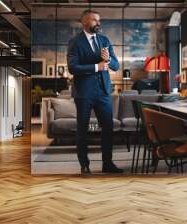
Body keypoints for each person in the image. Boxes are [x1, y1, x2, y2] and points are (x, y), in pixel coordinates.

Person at [68, 9, 123, 174]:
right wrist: (96, 67)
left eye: (99, 20)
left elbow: (115, 66)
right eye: (94, 20)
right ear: (84, 22)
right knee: (82, 129)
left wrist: (108, 59)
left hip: (103, 92)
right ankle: (84, 165)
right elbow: (72, 68)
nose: (98, 23)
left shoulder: (105, 40)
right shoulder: (75, 42)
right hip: (83, 93)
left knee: (108, 128)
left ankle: (107, 164)